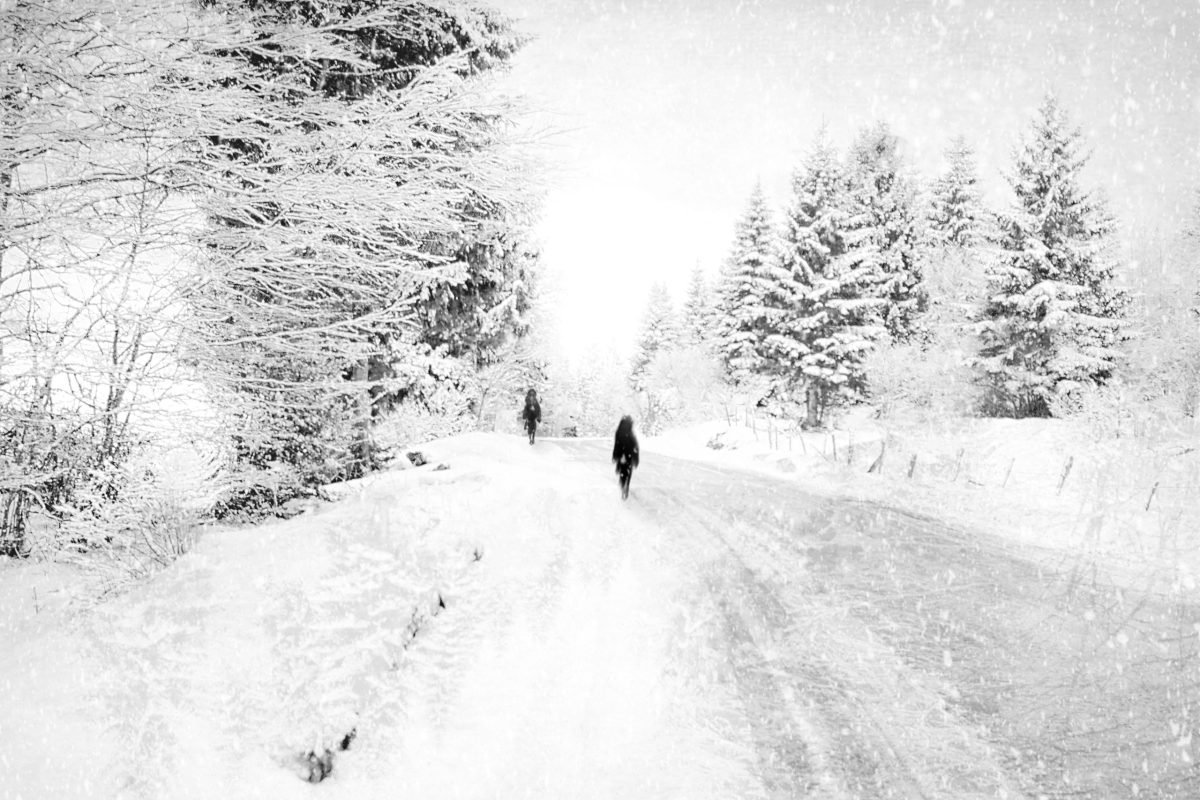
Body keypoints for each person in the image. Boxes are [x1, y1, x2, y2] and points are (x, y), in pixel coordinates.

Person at [611, 415, 639, 500]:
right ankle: (625, 486)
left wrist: (616, 456)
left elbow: (617, 445)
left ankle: (623, 485)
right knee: (628, 472)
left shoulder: (619, 432)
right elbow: (635, 446)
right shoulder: (630, 433)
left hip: (622, 455)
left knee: (623, 472)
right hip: (629, 456)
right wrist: (635, 458)